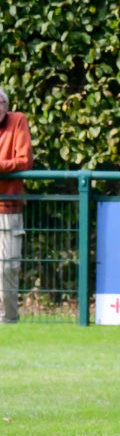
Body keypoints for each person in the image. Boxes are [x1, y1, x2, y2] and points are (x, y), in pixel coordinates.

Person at [0, 89, 33, 324]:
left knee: (7, 267)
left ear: (6, 105)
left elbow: (25, 160)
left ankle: (8, 320)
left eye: (0, 102)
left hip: (8, 207)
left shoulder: (18, 120)